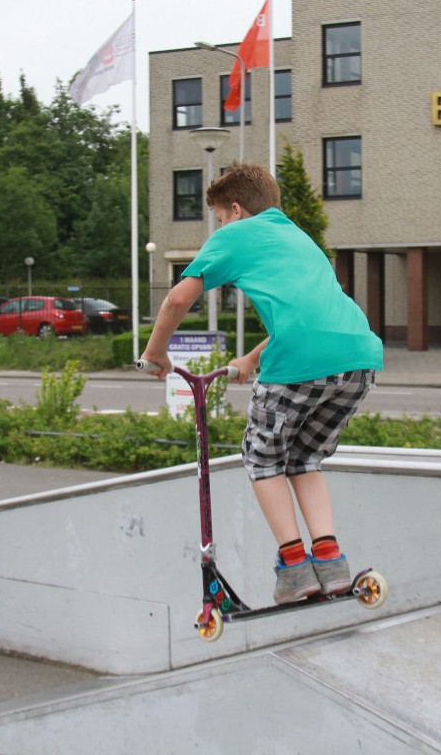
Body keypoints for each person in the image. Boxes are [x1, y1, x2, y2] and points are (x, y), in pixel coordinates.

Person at [140, 161, 383, 604]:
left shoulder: (235, 235)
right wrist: (251, 360)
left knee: (262, 456)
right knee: (305, 457)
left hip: (300, 361)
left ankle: (294, 567)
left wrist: (155, 353)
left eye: (219, 218)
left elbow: (176, 299)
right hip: (359, 358)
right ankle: (330, 561)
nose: (220, 227)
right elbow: (309, 316)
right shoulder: (299, 237)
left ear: (235, 210)